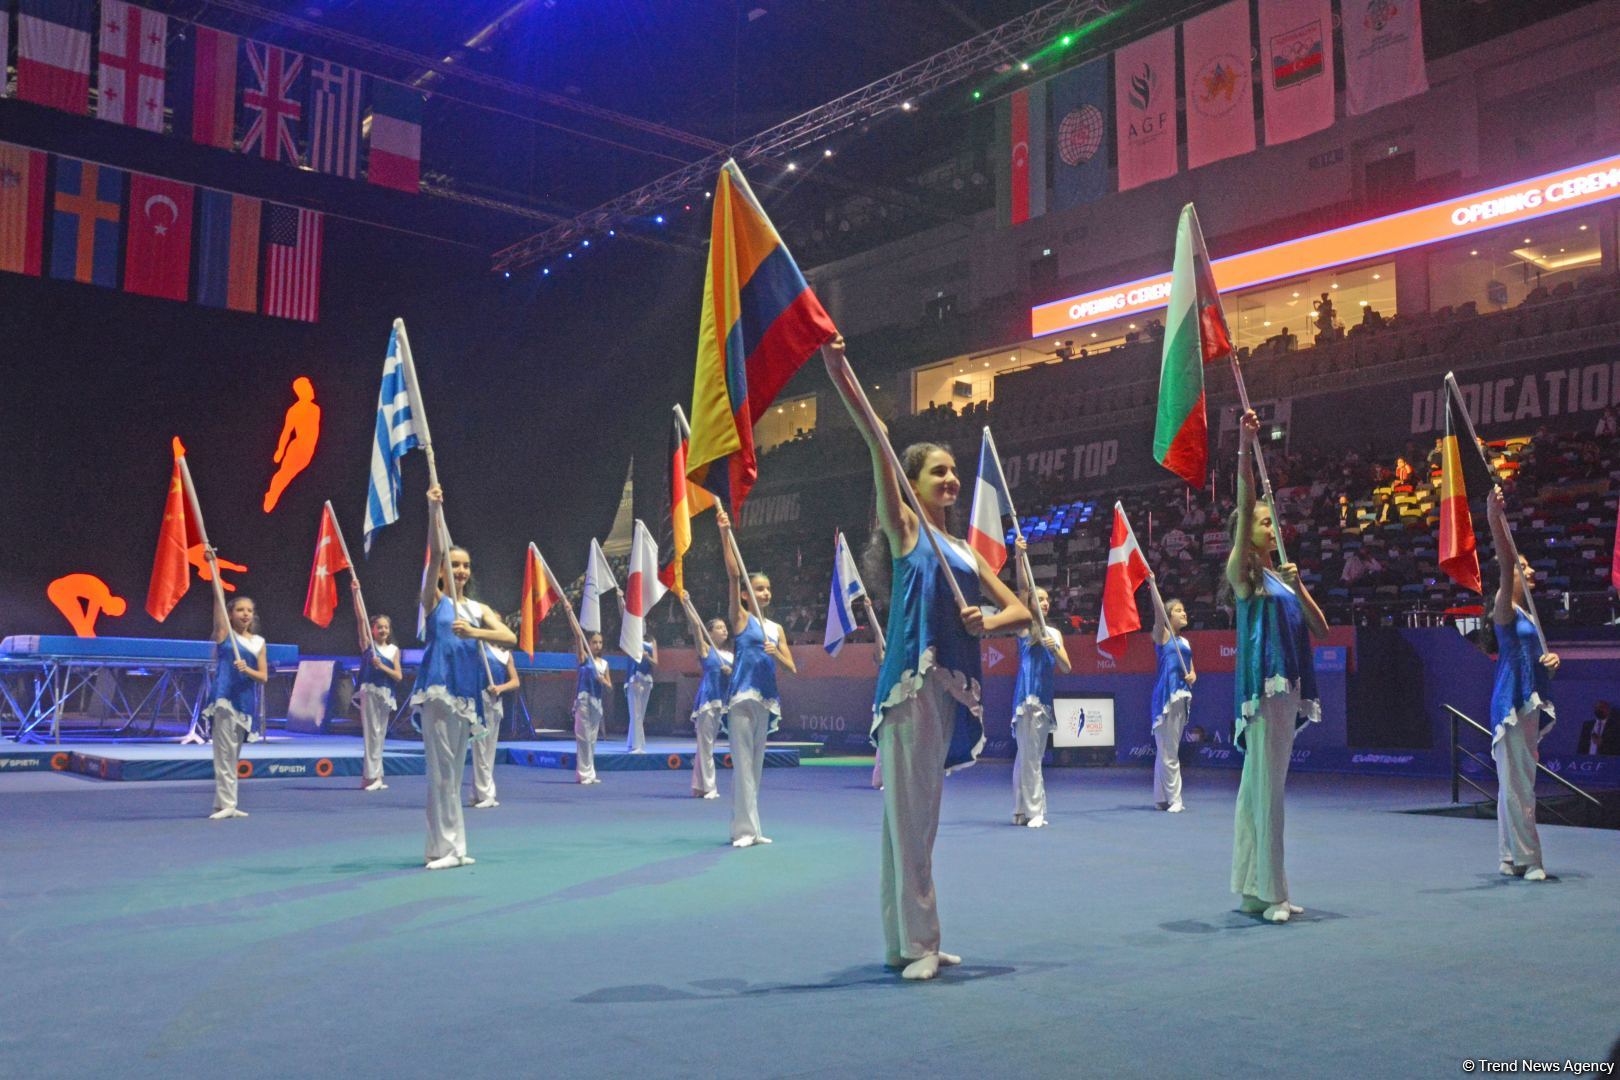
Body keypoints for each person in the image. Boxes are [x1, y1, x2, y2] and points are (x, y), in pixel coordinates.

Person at [824, 334, 1030, 981]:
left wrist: (986, 619)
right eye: (935, 471)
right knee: (911, 820)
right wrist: (839, 373)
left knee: (915, 822)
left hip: (949, 689)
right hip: (912, 687)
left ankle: (904, 940)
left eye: (951, 471)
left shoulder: (966, 550)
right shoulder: (908, 532)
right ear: (911, 484)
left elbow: (1023, 611)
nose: (949, 478)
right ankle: (919, 944)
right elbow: (877, 440)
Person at [1227, 410, 1329, 924]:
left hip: (1287, 689)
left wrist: (1301, 583)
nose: (1273, 526)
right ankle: (1273, 891)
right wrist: (1245, 446)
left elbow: (1323, 628)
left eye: (1273, 521)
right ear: (1250, 535)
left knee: (1257, 791)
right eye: (1267, 522)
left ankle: (1251, 887)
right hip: (1265, 692)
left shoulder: (1283, 580)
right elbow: (1244, 507)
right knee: (1267, 794)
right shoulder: (1245, 579)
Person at [411, 485, 515, 870]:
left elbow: (509, 637)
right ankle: (441, 849)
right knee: (439, 772)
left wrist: (475, 633)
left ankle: (452, 847)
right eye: (453, 565)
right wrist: (433, 511)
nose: (460, 570)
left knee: (454, 774)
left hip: (466, 693)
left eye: (465, 565)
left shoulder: (477, 608)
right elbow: (435, 551)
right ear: (441, 571)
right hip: (438, 688)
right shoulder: (435, 601)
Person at [1486, 487, 1560, 881]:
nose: (1530, 573)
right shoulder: (1504, 607)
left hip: (1528, 700)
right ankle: (1529, 858)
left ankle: (1509, 857)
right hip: (1510, 704)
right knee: (1520, 786)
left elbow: (1534, 661)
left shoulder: (1529, 617)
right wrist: (1494, 517)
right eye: (1524, 568)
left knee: (1514, 783)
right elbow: (1503, 562)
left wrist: (1550, 662)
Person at [716, 508, 797, 848]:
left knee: (757, 765)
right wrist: (724, 533)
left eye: (767, 589)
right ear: (749, 595)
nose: (764, 593)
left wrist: (774, 651)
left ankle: (752, 827)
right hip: (741, 699)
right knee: (743, 765)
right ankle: (742, 831)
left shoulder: (775, 629)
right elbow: (734, 576)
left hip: (766, 698)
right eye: (759, 589)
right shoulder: (740, 619)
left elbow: (791, 667)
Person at [1011, 540, 1070, 828]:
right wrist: (1019, 556)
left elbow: (1067, 667)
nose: (1044, 602)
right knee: (1029, 757)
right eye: (1039, 598)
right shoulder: (1024, 627)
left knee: (1029, 757)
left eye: (1047, 599)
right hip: (1026, 699)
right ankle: (1034, 812)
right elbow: (1022, 589)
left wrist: (1054, 648)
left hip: (1045, 702)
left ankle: (1021, 810)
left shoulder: (1054, 633)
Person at [205, 590, 267, 820]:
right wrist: (215, 578)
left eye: (249, 610)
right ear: (230, 614)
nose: (245, 614)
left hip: (245, 701)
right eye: (240, 610)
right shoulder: (224, 635)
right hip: (224, 700)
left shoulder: (259, 642)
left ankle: (224, 803)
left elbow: (263, 676)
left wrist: (247, 669)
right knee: (223, 754)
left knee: (233, 755)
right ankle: (227, 803)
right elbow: (218, 605)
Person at [677, 591, 731, 799]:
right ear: (711, 632)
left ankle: (698, 786)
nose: (724, 630)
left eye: (725, 627)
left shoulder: (730, 655)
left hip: (721, 702)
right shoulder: (706, 650)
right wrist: (687, 603)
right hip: (707, 701)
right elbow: (696, 627)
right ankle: (710, 787)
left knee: (706, 745)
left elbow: (735, 679)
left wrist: (730, 672)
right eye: (719, 627)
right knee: (706, 745)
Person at [1150, 588, 1196, 813]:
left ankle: (1160, 798)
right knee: (1168, 751)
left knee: (1166, 750)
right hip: (1166, 697)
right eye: (1178, 611)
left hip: (1182, 697)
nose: (1184, 613)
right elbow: (1159, 616)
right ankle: (1175, 799)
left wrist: (1191, 676)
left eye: (1184, 610)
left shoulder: (1185, 643)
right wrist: (1152, 585)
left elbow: (1192, 672)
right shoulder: (1163, 635)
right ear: (1169, 617)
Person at [470, 642, 519, 809]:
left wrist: (500, 688)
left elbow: (515, 682)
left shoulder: (506, 655)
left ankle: (481, 793)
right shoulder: (480, 646)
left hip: (495, 704)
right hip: (479, 701)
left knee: (488, 750)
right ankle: (484, 793)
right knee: (479, 748)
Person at [358, 612, 403, 792]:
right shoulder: (368, 646)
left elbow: (398, 676)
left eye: (386, 627)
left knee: (380, 734)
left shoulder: (393, 650)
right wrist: (355, 594)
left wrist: (382, 666)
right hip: (370, 690)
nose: (383, 630)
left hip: (386, 694)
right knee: (371, 733)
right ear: (373, 630)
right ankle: (370, 777)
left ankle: (375, 776)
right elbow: (361, 619)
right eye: (379, 627)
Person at [573, 631, 611, 784]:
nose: (597, 645)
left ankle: (591, 772)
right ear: (589, 644)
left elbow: (610, 686)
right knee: (583, 736)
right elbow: (578, 637)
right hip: (583, 699)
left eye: (600, 642)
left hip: (597, 702)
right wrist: (570, 615)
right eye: (594, 642)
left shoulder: (604, 664)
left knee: (593, 738)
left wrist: (603, 681)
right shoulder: (585, 659)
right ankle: (583, 773)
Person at [623, 628, 657, 753]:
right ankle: (637, 745)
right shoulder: (631, 637)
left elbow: (655, 662)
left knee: (640, 714)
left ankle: (632, 743)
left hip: (646, 679)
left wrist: (647, 657)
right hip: (634, 678)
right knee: (635, 712)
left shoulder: (651, 640)